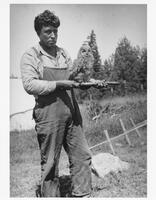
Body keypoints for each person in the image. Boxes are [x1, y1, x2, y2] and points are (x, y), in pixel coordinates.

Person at [20, 10, 95, 197]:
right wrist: (59, 84)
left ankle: (82, 193)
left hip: (71, 110)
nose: (52, 35)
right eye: (47, 31)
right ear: (38, 32)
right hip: (48, 114)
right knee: (51, 163)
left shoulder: (64, 54)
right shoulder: (31, 56)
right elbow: (30, 84)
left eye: (55, 31)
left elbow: (74, 78)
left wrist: (87, 83)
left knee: (82, 155)